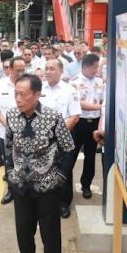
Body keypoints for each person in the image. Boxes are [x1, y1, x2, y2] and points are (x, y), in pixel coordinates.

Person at [5, 74, 75, 253]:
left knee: (50, 236)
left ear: (37, 94)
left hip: (47, 189)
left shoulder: (53, 117)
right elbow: (7, 146)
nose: (17, 99)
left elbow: (68, 148)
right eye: (16, 93)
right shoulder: (11, 116)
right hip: (21, 188)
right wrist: (10, 174)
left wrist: (60, 177)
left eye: (23, 94)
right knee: (24, 232)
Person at [41, 59, 81, 218]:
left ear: (60, 71)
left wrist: (57, 135)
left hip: (63, 138)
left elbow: (74, 116)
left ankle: (64, 203)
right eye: (46, 68)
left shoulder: (69, 90)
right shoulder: (38, 89)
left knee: (63, 170)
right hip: (41, 138)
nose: (48, 71)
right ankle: (45, 200)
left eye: (52, 68)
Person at [0, 56, 26, 204]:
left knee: (25, 163)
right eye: (18, 70)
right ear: (9, 69)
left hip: (26, 134)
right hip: (5, 133)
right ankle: (11, 190)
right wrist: (5, 123)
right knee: (9, 163)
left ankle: (24, 189)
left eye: (24, 69)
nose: (22, 73)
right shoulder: (1, 85)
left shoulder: (30, 83)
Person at [69, 53, 105, 199]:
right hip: (78, 123)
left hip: (94, 124)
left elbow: (103, 100)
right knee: (71, 156)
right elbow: (79, 104)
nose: (96, 70)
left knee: (90, 157)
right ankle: (65, 188)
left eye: (97, 67)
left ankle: (86, 185)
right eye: (94, 67)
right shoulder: (74, 82)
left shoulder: (100, 82)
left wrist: (100, 108)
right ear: (85, 66)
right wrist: (100, 107)